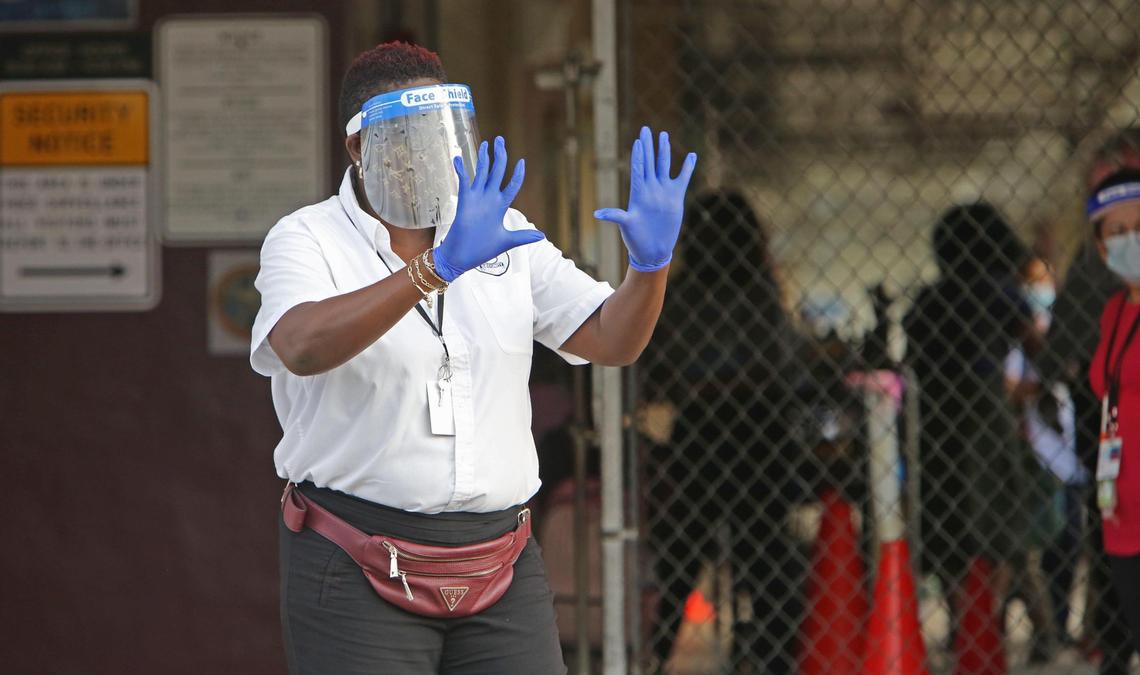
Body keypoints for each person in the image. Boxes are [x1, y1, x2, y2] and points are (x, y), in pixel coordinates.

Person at [251, 42, 697, 674]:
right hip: (355, 558)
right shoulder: (307, 237)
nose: (429, 155)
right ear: (358, 147)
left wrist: (649, 269)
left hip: (500, 563)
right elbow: (300, 346)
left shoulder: (498, 231)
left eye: (444, 135)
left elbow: (611, 340)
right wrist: (434, 270)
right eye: (407, 137)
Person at [641, 190, 810, 674]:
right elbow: (784, 368)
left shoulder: (683, 293)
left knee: (680, 555)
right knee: (767, 558)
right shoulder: (760, 292)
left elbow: (659, 367)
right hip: (760, 432)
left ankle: (651, 654)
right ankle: (772, 656)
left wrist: (700, 384)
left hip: (701, 433)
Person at [904, 202, 1031, 651]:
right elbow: (1032, 337)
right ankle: (989, 617)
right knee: (998, 515)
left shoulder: (932, 298)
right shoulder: (998, 289)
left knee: (948, 514)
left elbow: (911, 356)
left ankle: (964, 620)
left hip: (937, 419)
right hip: (985, 411)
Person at [1003, 254, 1088, 661]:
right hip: (1034, 459)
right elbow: (1010, 388)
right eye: (1030, 283)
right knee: (1032, 551)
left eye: (1043, 281)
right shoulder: (1017, 340)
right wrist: (1040, 381)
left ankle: (1060, 623)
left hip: (1068, 458)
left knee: (1068, 546)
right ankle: (1039, 630)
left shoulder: (1065, 332)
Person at [1088, 167, 1140, 660]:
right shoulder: (1113, 312)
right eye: (1117, 233)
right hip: (1122, 507)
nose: (1132, 241)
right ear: (1102, 249)